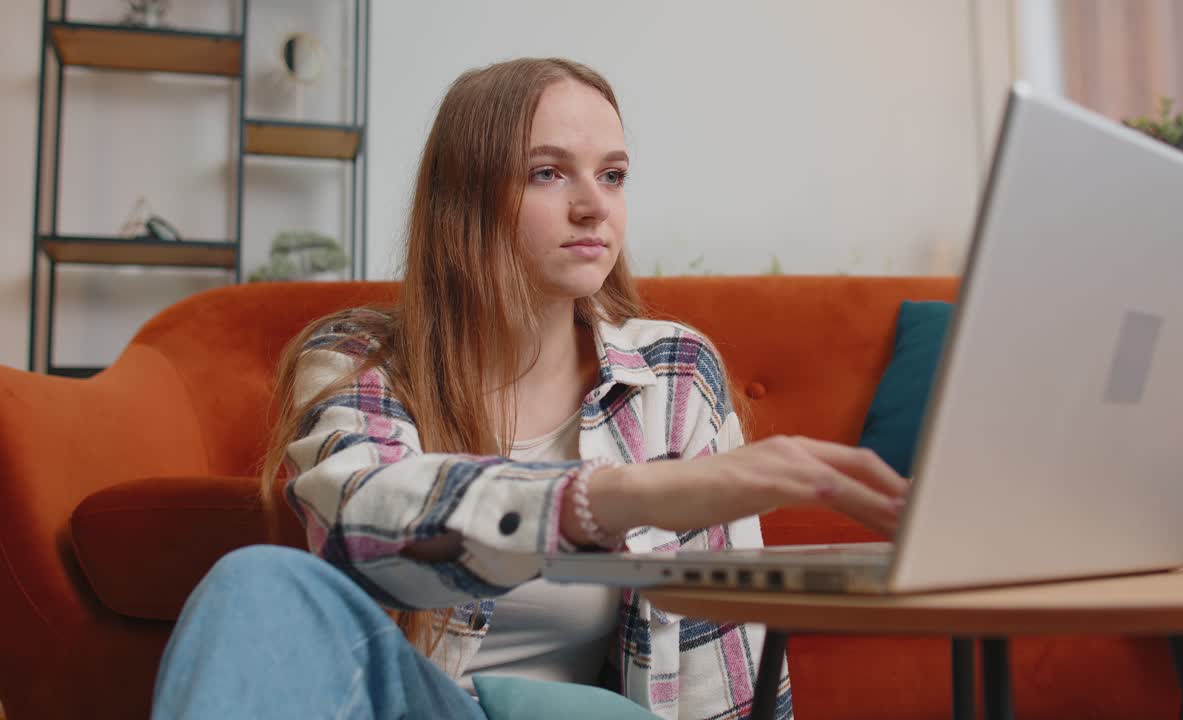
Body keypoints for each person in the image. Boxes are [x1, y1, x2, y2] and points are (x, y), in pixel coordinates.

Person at [151, 57, 908, 720]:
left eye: (612, 175)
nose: (594, 206)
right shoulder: (356, 360)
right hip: (420, 704)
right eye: (548, 172)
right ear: (466, 199)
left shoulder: (674, 374)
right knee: (257, 580)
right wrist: (623, 496)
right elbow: (362, 528)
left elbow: (729, 664)